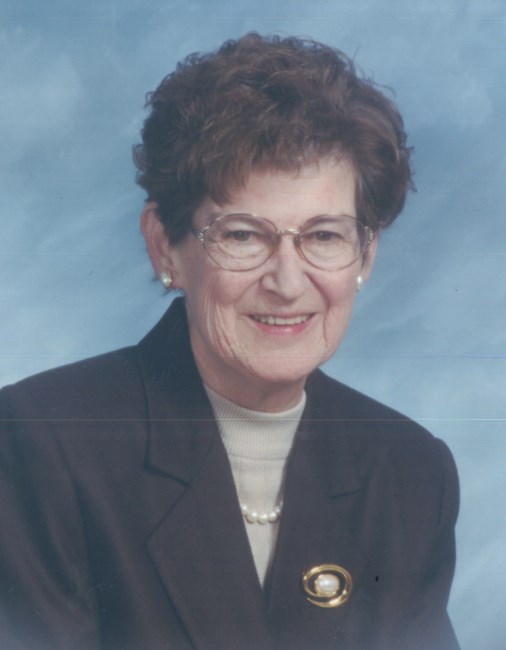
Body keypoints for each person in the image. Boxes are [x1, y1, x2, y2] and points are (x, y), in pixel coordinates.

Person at [0, 33, 460, 650]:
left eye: (324, 236)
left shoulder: (409, 472)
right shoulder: (43, 441)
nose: (287, 282)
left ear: (365, 255)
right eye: (243, 235)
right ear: (164, 245)